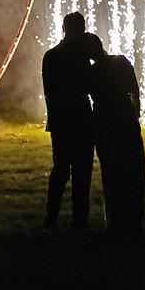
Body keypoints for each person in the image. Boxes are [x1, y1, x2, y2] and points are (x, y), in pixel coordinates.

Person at [84, 33, 145, 236]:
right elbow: (135, 91)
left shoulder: (92, 71)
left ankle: (114, 219)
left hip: (105, 119)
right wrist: (134, 116)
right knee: (131, 166)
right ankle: (133, 218)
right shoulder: (121, 62)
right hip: (124, 117)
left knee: (111, 170)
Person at [41, 12, 95, 230]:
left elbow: (49, 91)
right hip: (79, 118)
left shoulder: (51, 55)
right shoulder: (81, 57)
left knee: (61, 171)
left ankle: (51, 219)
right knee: (80, 174)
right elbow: (90, 85)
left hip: (62, 120)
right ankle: (79, 221)